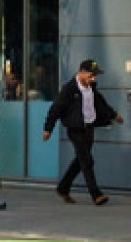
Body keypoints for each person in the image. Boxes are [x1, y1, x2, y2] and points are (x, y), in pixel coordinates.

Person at [42, 59, 123, 206]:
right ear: (82, 72)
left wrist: (114, 115)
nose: (93, 78)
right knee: (87, 161)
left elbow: (100, 104)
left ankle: (63, 188)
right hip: (75, 129)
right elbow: (55, 109)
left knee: (80, 161)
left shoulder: (91, 88)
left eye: (95, 76)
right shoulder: (69, 89)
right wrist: (48, 129)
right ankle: (96, 195)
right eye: (91, 75)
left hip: (89, 128)